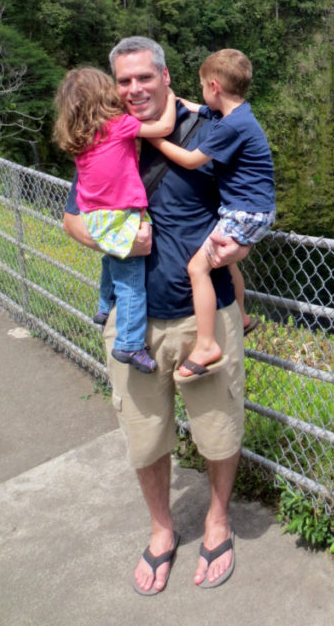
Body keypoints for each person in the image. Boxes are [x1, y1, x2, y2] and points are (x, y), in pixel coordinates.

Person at [62, 36, 243, 595]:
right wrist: (112, 238)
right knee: (144, 437)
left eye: (144, 77)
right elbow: (71, 218)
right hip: (132, 323)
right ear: (114, 86)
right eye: (124, 80)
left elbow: (249, 203)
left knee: (219, 429)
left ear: (166, 76)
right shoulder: (105, 132)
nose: (134, 89)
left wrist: (237, 247)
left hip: (204, 317)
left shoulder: (211, 126)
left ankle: (217, 518)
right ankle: (162, 530)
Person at [148, 48, 275, 381]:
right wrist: (179, 100)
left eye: (204, 85)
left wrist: (155, 141)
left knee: (197, 267)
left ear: (215, 86)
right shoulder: (238, 114)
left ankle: (206, 345)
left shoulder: (230, 127)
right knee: (226, 261)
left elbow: (191, 161)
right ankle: (243, 317)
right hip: (255, 209)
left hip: (244, 212)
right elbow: (202, 108)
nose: (202, 92)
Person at [53, 66, 177, 372]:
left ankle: (103, 306)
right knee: (132, 281)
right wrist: (172, 98)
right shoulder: (117, 126)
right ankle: (130, 344)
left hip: (94, 216)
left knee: (111, 259)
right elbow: (163, 127)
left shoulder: (80, 139)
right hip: (121, 215)